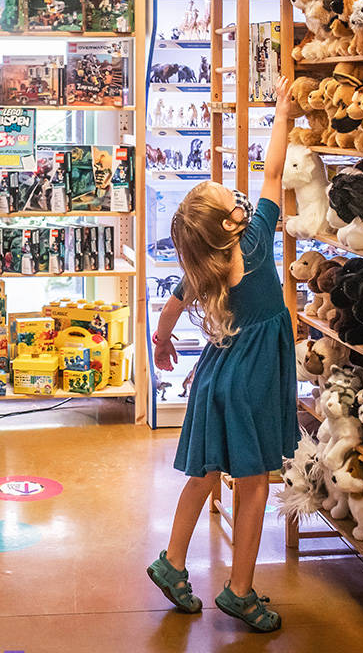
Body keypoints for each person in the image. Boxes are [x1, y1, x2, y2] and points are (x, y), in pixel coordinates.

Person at [146, 75, 297, 633]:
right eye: (225, 196)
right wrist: (282, 112)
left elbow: (166, 311)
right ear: (233, 222)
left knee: (206, 474)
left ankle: (173, 562)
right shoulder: (255, 241)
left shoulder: (202, 269)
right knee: (254, 484)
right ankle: (239, 591)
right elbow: (275, 172)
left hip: (214, 379)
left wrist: (163, 345)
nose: (234, 194)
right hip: (254, 378)